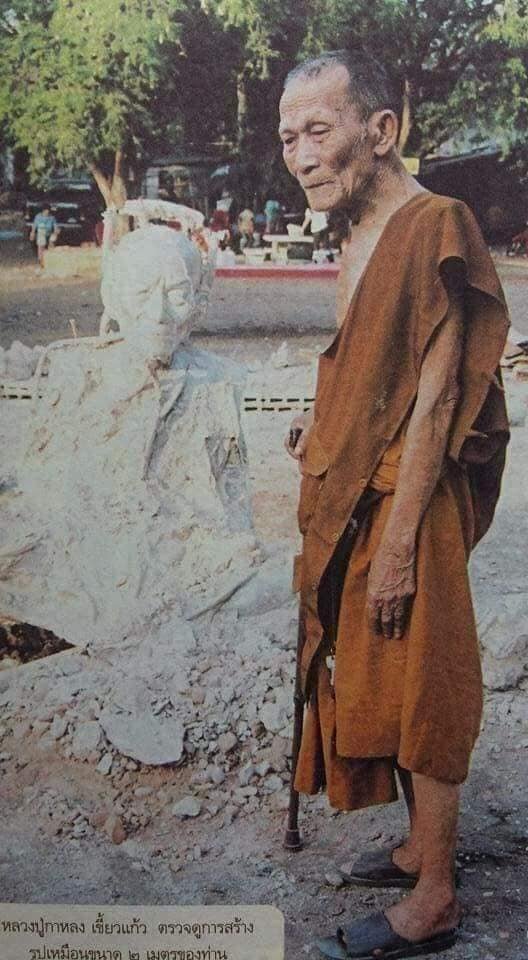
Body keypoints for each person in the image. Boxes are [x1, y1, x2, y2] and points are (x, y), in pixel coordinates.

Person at [280, 50, 509, 959]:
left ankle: (438, 899)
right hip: (369, 495)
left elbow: (438, 399)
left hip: (416, 501)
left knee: (426, 682)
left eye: (319, 131)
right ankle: (420, 846)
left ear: (381, 132)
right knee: (378, 668)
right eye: (289, 136)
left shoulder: (435, 223)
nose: (299, 154)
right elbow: (369, 373)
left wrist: (407, 542)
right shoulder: (359, 234)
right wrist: (320, 417)